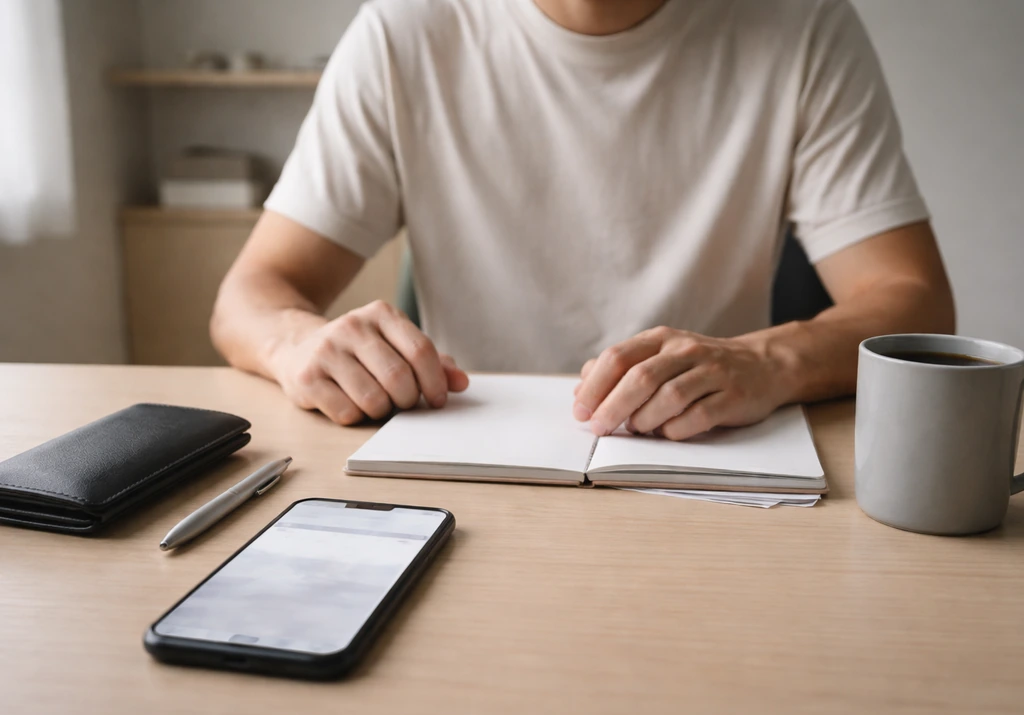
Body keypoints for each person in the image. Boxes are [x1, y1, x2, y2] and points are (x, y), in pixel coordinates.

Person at [211, 0, 955, 441]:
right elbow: (252, 293)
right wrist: (298, 342)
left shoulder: (802, 25)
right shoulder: (404, 32)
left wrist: (769, 361)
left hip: (705, 463)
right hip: (468, 464)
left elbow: (914, 300)